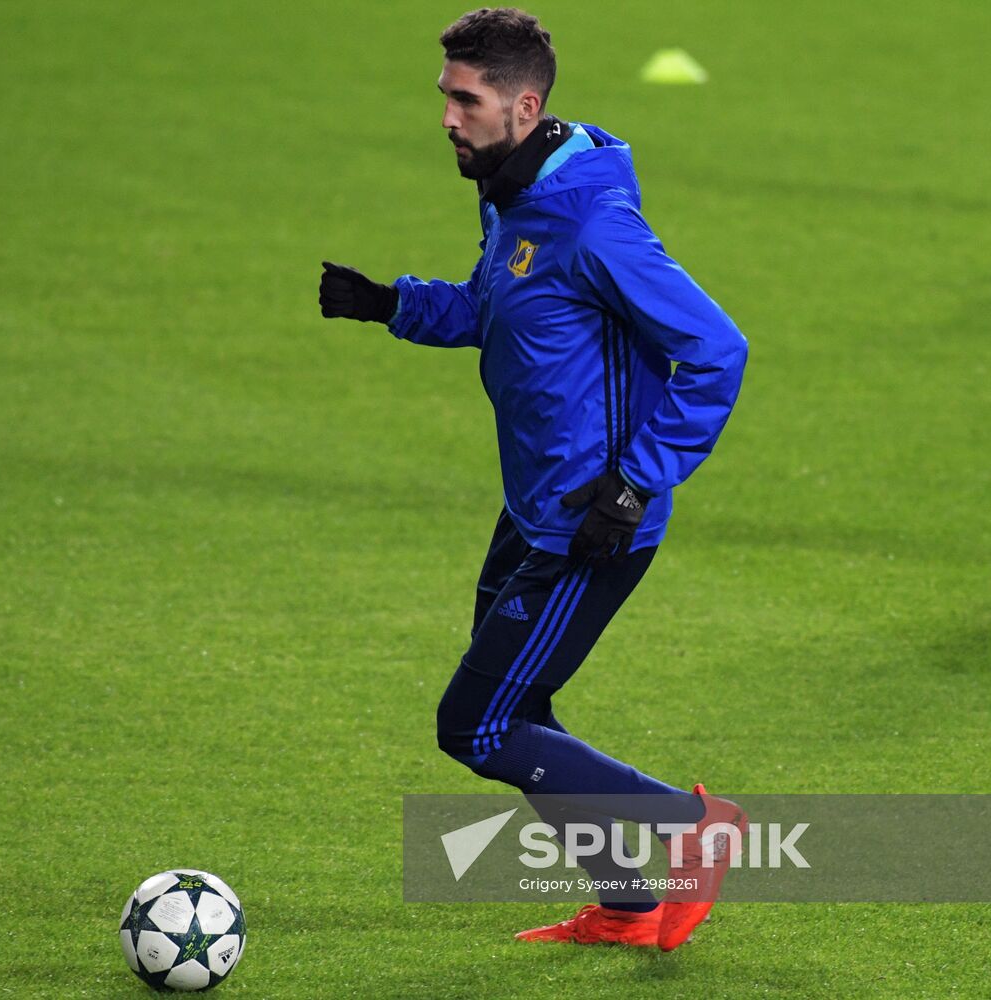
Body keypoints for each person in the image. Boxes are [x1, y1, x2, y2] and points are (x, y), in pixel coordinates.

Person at [318, 7, 748, 951]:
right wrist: (393, 306)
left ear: (524, 103)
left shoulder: (594, 221)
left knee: (475, 726)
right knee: (525, 714)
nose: (446, 117)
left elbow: (717, 351)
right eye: (443, 96)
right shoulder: (507, 193)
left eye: (465, 100)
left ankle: (696, 825)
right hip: (532, 513)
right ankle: (628, 903)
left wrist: (633, 486)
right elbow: (497, 306)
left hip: (591, 529)